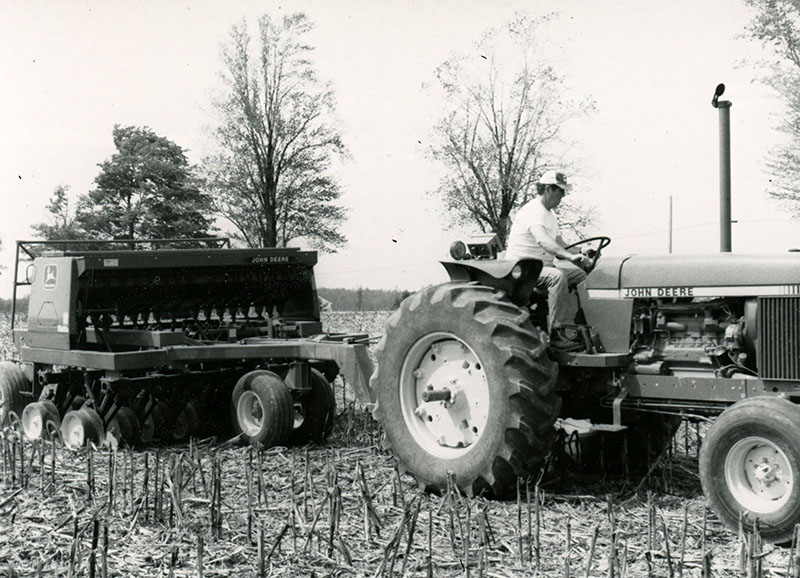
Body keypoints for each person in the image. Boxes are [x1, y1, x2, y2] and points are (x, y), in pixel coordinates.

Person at [505, 170, 589, 349]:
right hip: (524, 269)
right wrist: (569, 256)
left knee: (582, 276)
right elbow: (543, 241)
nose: (563, 196)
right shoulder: (533, 210)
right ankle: (558, 333)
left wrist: (582, 251)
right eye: (561, 191)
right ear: (549, 189)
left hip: (543, 266)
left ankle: (581, 329)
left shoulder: (550, 215)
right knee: (557, 277)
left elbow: (559, 243)